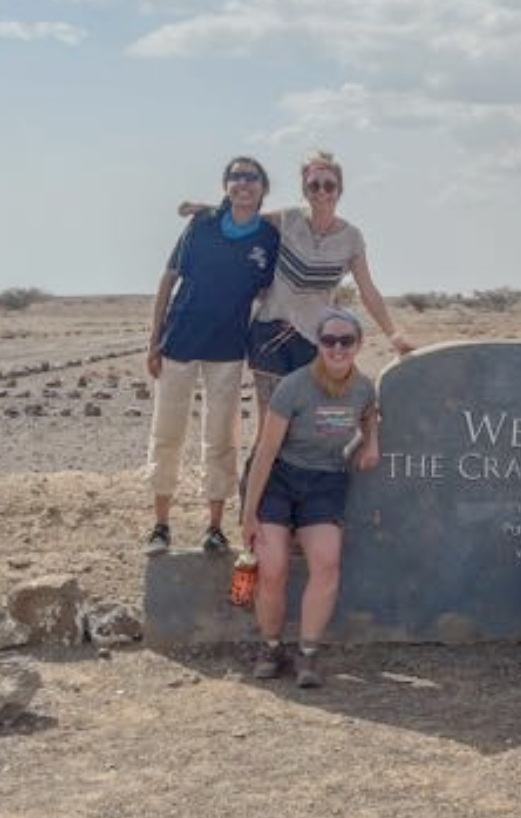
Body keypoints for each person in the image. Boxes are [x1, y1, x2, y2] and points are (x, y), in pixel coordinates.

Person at [182, 150, 415, 439]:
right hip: (270, 333)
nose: (321, 192)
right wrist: (205, 209)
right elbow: (245, 214)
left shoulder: (351, 238)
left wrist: (394, 335)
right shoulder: (288, 219)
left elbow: (368, 290)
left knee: (322, 421)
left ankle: (321, 476)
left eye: (328, 185)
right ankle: (259, 484)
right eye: (313, 185)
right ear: (304, 190)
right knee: (271, 425)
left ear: (339, 190)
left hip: (318, 339)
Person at [144, 157, 279, 557]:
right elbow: (169, 279)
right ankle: (160, 525)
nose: (243, 183)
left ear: (263, 187)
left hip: (228, 348)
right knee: (167, 434)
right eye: (236, 177)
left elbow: (266, 292)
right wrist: (154, 340)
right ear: (226, 185)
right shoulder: (201, 225)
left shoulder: (269, 239)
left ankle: (214, 528)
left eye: (251, 178)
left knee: (220, 438)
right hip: (180, 341)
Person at [240, 306, 380, 688]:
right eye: (328, 340)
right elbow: (266, 451)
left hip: (325, 480)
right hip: (278, 478)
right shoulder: (294, 386)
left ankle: (308, 652)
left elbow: (369, 413)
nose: (337, 348)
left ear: (358, 345)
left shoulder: (364, 387)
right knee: (272, 566)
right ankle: (271, 647)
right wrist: (249, 514)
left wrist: (371, 443)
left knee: (327, 561)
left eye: (345, 341)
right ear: (318, 344)